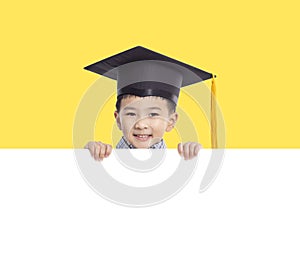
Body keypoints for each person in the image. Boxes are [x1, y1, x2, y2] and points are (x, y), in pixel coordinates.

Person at [83, 46, 215, 161]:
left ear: (171, 121)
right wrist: (87, 155)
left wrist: (195, 158)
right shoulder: (103, 157)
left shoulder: (182, 159)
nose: (141, 124)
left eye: (152, 114)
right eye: (131, 113)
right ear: (118, 119)